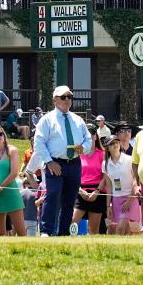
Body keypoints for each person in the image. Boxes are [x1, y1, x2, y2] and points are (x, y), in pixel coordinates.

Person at [33, 86, 91, 237]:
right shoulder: (47, 120)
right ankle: (46, 231)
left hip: (74, 162)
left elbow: (88, 140)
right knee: (52, 195)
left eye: (69, 97)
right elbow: (39, 142)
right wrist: (49, 162)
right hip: (55, 163)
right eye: (63, 97)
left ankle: (64, 233)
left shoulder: (78, 119)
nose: (67, 100)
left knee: (70, 199)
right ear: (55, 100)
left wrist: (83, 148)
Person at [0, 125, 26, 236]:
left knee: (21, 232)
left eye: (1, 134)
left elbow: (14, 173)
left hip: (10, 192)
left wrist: (1, 187)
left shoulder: (12, 150)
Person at [100, 135, 140, 235]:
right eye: (112, 143)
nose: (115, 145)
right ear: (107, 148)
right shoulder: (105, 164)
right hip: (116, 200)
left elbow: (136, 181)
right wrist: (108, 206)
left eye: (117, 142)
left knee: (120, 228)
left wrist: (129, 200)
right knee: (120, 231)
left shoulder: (129, 159)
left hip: (130, 198)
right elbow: (109, 187)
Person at [72, 125, 105, 235]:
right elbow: (73, 175)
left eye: (91, 134)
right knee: (72, 223)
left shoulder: (103, 154)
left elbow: (105, 176)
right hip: (80, 192)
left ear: (95, 137)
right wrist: (80, 190)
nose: (89, 137)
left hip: (97, 193)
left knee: (93, 230)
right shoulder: (77, 154)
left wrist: (97, 192)